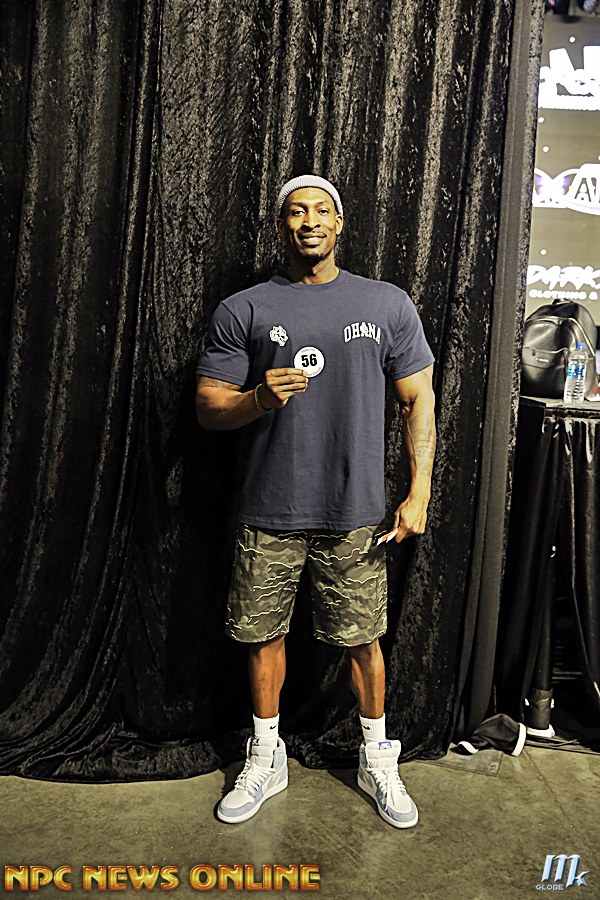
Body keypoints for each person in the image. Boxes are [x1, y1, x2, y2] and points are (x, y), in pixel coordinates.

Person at [195, 174, 436, 829]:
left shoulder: (386, 304)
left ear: (339, 224)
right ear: (282, 226)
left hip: (354, 511)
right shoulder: (244, 309)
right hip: (269, 509)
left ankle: (377, 757)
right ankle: (265, 755)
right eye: (297, 212)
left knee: (365, 640)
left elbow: (418, 399)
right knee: (262, 635)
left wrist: (418, 492)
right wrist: (256, 398)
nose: (310, 221)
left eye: (321, 210)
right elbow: (209, 408)